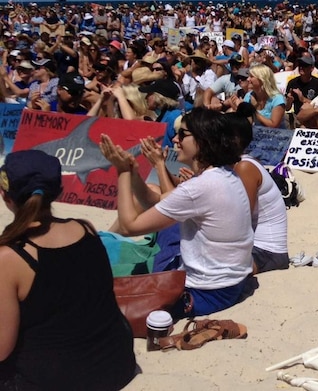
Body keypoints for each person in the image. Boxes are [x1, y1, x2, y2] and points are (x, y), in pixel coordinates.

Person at [0, 150, 136, 391]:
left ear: (5, 196)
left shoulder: (9, 258)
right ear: (58, 192)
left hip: (59, 379)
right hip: (116, 364)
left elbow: (2, 348)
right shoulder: (86, 229)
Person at [99, 108, 254, 317]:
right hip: (231, 284)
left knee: (101, 260)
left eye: (183, 134)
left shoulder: (200, 187)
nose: (175, 140)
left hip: (204, 293)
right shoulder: (225, 175)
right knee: (166, 228)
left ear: (203, 139)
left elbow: (128, 226)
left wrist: (123, 172)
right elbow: (159, 202)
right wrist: (135, 173)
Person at [228, 103, 290, 274]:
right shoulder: (235, 165)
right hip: (256, 245)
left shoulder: (244, 167)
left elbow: (242, 217)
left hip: (267, 250)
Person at [240, 64, 287, 128]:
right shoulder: (248, 96)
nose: (248, 79)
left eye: (251, 76)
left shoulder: (277, 99)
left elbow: (274, 125)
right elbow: (246, 123)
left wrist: (253, 110)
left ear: (262, 79)